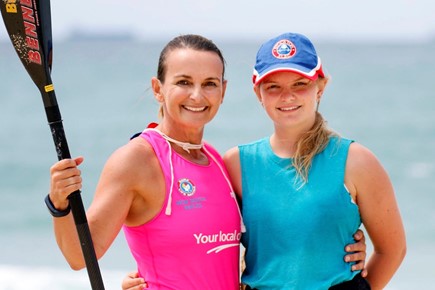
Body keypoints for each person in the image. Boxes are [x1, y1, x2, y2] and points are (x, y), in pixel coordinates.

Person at [47, 34, 367, 290]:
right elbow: (80, 255)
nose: (197, 96)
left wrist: (335, 243)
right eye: (184, 82)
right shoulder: (137, 159)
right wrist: (59, 203)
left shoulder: (217, 161)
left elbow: (256, 242)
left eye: (209, 83)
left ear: (223, 91)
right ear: (159, 89)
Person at [222, 32, 406, 289]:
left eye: (300, 84)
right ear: (258, 92)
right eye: (273, 86)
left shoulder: (356, 161)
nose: (288, 96)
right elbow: (205, 239)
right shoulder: (236, 164)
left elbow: (391, 250)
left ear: (320, 87)